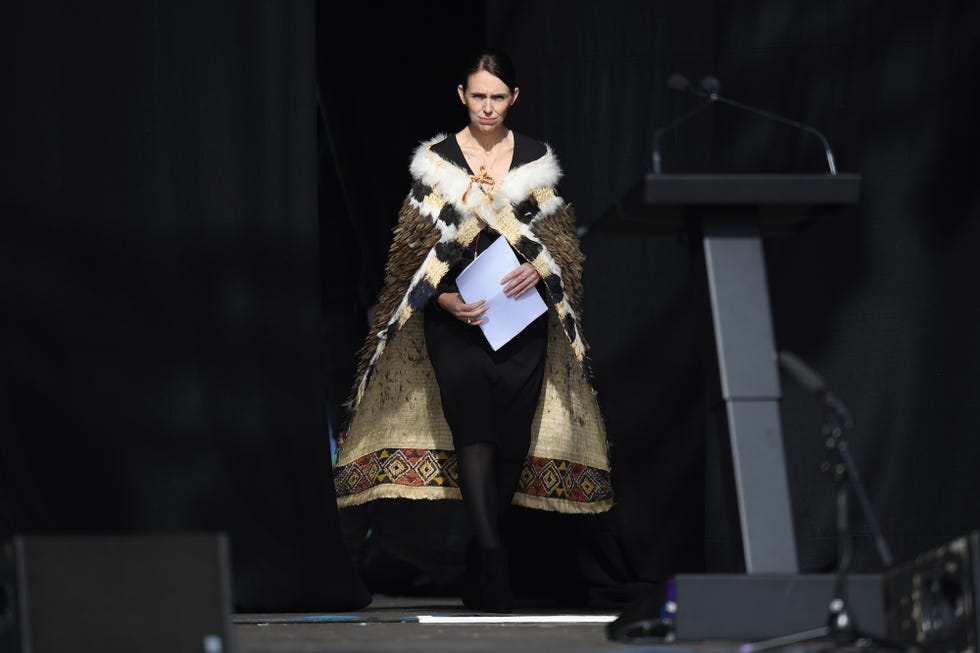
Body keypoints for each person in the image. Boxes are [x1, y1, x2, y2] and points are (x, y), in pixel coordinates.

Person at [332, 49, 612, 613]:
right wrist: (441, 295)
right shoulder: (436, 161)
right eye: (478, 96)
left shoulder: (536, 160)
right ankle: (492, 560)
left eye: (498, 97)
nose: (488, 107)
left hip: (522, 326)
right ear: (463, 96)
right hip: (455, 325)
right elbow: (409, 251)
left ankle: (482, 554)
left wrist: (542, 266)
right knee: (474, 436)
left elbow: (564, 246)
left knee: (510, 441)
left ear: (514, 99)